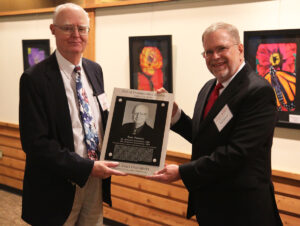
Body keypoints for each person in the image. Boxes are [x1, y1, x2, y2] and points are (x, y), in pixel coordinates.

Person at [148, 22, 283, 226]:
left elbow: (237, 153)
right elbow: (205, 138)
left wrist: (182, 172)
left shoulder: (258, 91)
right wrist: (175, 114)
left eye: (221, 48)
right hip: (211, 207)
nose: (215, 57)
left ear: (239, 49)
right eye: (208, 52)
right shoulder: (208, 88)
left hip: (244, 211)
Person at [19, 3, 126, 226]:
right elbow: (35, 143)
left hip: (94, 182)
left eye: (82, 28)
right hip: (56, 186)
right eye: (68, 28)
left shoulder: (95, 70)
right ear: (53, 29)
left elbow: (100, 119)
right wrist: (85, 167)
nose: (76, 35)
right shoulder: (34, 79)